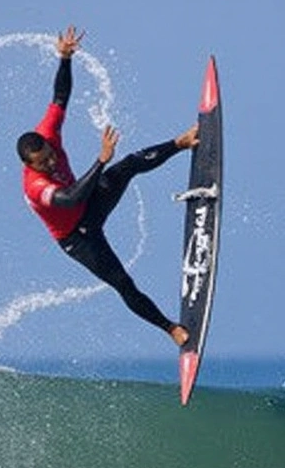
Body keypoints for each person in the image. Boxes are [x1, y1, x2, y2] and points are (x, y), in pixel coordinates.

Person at [16, 25, 197, 346]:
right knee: (122, 283)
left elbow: (60, 96)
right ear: (29, 165)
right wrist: (100, 161)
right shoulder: (34, 186)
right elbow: (70, 198)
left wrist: (65, 58)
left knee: (126, 165)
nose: (50, 163)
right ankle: (172, 330)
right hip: (76, 237)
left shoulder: (47, 133)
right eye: (43, 163)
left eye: (49, 156)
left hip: (89, 204)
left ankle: (182, 142)